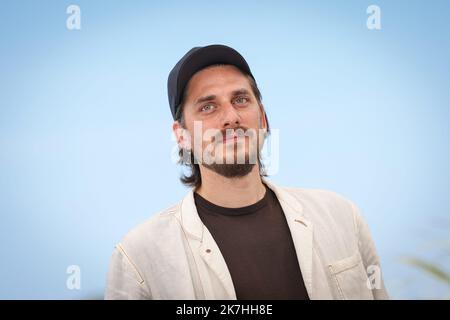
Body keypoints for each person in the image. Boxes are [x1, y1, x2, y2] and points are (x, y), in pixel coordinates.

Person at [105, 44, 389, 300]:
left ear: (262, 117)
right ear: (182, 136)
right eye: (208, 106)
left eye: (240, 100)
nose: (231, 117)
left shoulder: (341, 216)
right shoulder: (139, 257)